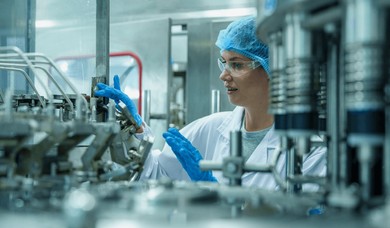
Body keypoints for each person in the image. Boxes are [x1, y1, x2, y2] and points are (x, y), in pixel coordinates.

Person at [95, 16, 326, 190]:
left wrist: (217, 193)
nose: (224, 75)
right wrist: (135, 130)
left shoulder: (309, 149)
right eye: (224, 63)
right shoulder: (212, 128)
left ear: (272, 68)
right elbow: (158, 173)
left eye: (236, 65)